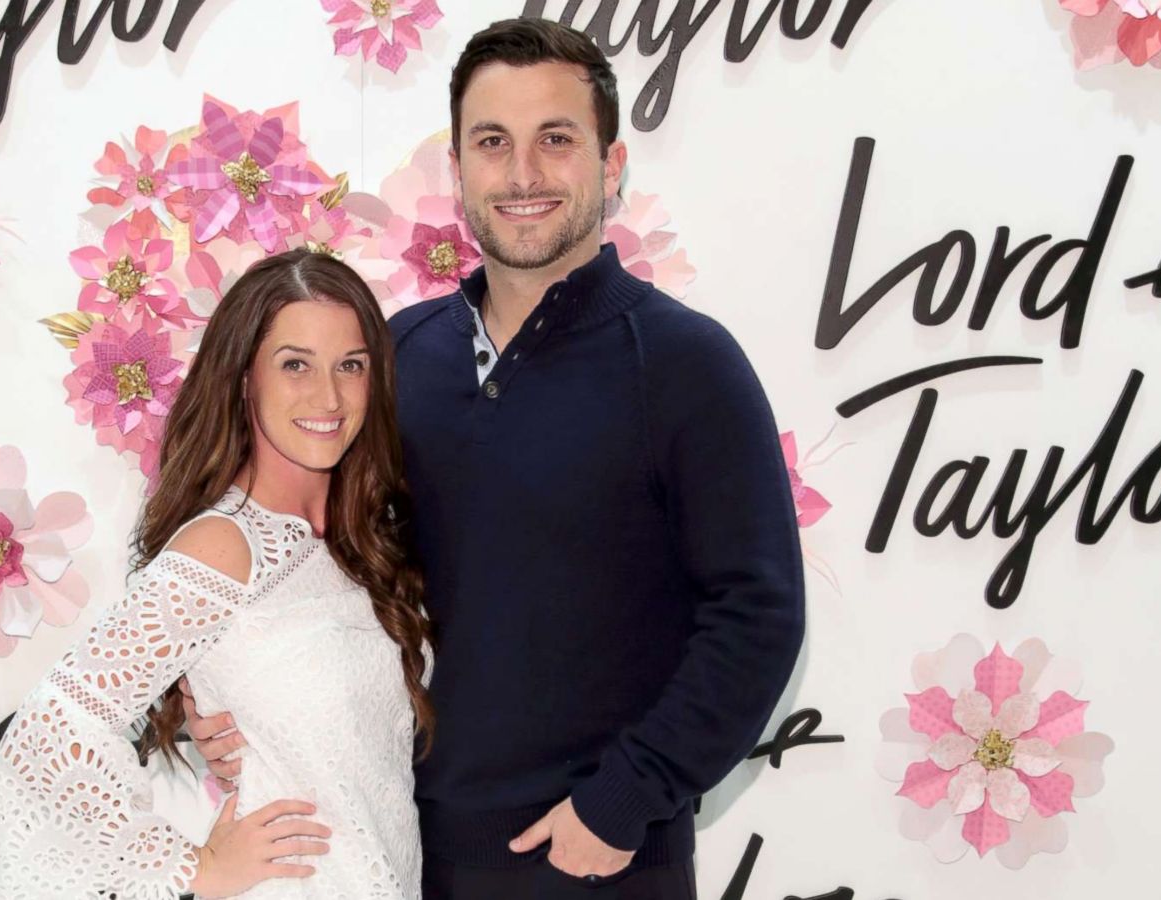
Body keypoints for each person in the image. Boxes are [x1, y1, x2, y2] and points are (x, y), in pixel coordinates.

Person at [186, 17, 806, 900]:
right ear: (459, 171)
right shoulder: (393, 357)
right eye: (492, 143)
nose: (522, 174)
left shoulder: (684, 365)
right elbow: (307, 552)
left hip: (597, 863)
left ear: (613, 165)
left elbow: (759, 613)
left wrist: (626, 800)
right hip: (392, 853)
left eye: (556, 140)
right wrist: (216, 693)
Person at [0, 249, 433, 899]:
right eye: (295, 366)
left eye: (351, 365)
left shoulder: (367, 536)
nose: (329, 396)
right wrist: (191, 869)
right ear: (245, 379)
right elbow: (50, 731)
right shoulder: (224, 545)